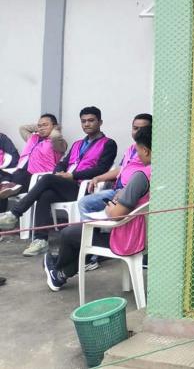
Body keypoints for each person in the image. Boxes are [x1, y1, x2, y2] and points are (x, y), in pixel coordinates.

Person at [43, 126, 151, 291]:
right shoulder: (163, 173)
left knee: (69, 233)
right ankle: (60, 272)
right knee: (80, 234)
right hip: (150, 237)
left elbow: (115, 214)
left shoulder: (141, 176)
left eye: (138, 151)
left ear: (146, 150)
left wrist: (110, 206)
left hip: (130, 240)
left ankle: (57, 269)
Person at [0, 106, 117, 256]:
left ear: (100, 122)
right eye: (83, 121)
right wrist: (59, 172)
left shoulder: (108, 144)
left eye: (91, 120)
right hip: (67, 185)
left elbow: (102, 169)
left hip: (84, 188)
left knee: (47, 178)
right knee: (45, 194)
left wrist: (73, 176)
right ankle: (40, 241)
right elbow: (63, 162)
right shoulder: (77, 144)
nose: (87, 124)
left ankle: (15, 213)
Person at [79, 113, 152, 217]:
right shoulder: (131, 148)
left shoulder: (149, 154)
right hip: (117, 190)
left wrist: (125, 191)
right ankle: (93, 231)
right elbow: (121, 169)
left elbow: (143, 181)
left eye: (143, 129)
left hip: (129, 192)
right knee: (85, 202)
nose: (138, 132)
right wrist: (98, 178)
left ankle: (94, 231)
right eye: (135, 128)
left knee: (87, 204)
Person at [0, 114, 67, 201]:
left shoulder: (58, 143)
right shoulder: (33, 138)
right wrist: (40, 127)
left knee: (16, 178)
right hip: (18, 172)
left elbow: (55, 136)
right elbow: (22, 128)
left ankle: (10, 186)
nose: (41, 128)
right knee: (4, 180)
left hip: (36, 176)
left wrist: (55, 129)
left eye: (45, 125)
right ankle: (8, 187)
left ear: (54, 126)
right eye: (39, 126)